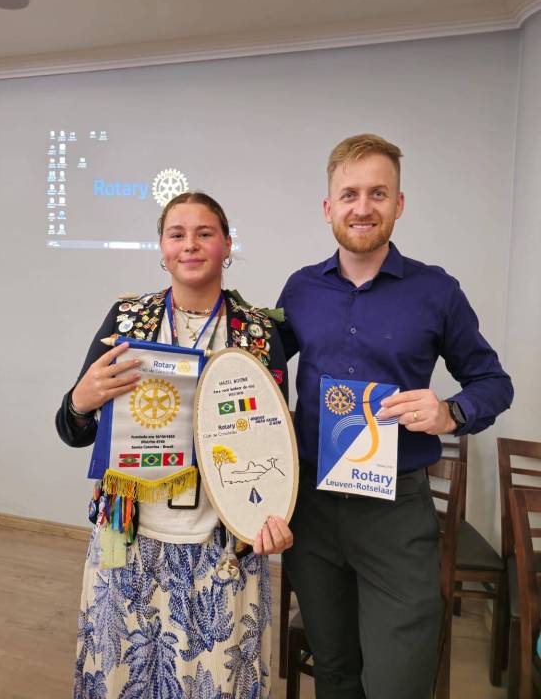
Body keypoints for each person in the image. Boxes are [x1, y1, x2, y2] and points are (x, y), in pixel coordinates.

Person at [276, 133, 513, 699]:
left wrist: (450, 411)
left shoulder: (437, 291)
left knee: (398, 682)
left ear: (398, 203)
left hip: (396, 513)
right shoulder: (301, 289)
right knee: (334, 671)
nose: (363, 207)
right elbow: (261, 373)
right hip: (312, 507)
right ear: (328, 207)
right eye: (350, 194)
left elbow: (494, 383)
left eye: (378, 193)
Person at [56, 192, 293, 699]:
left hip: (222, 545)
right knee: (122, 682)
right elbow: (74, 429)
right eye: (177, 234)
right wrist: (80, 400)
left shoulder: (259, 333)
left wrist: (273, 516)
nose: (190, 245)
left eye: (205, 233)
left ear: (227, 244)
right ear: (162, 248)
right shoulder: (126, 320)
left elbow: (276, 442)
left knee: (215, 683)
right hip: (129, 542)